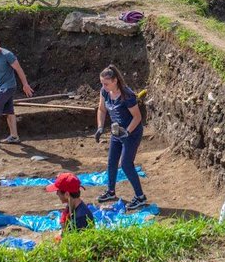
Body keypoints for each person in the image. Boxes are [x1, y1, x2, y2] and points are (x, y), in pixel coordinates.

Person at [94, 64, 148, 211]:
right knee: (112, 161)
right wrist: (100, 127)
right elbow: (101, 109)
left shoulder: (127, 95)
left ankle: (140, 197)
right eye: (102, 83)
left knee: (125, 164)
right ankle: (111, 191)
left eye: (106, 83)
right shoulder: (105, 92)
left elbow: (137, 117)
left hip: (132, 133)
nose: (103, 86)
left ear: (115, 81)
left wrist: (128, 132)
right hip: (117, 132)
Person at [0, 34, 34, 144]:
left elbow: (19, 69)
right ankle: (14, 136)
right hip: (1, 87)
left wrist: (25, 84)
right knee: (9, 112)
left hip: (8, 87)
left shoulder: (7, 55)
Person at [46, 172, 95, 237]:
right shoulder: (72, 205)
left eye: (58, 191)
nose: (57, 193)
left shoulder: (80, 218)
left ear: (67, 194)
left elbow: (74, 245)